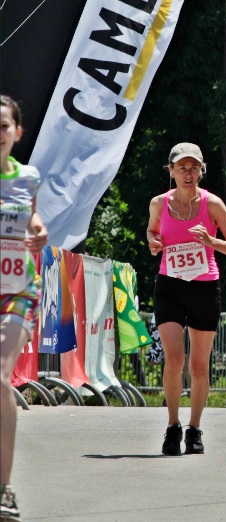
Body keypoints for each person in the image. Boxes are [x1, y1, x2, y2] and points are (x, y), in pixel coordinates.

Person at [147, 143, 226, 455]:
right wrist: (153, 242)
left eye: (194, 167)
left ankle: (195, 428)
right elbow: (152, 231)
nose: (188, 173)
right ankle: (172, 426)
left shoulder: (212, 204)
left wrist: (211, 241)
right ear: (171, 171)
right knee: (174, 359)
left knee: (199, 366)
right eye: (182, 167)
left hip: (204, 287)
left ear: (201, 170)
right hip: (170, 286)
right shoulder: (158, 203)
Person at [1, 94, 49, 522]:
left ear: (17, 132)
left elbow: (33, 219)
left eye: (3, 126)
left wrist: (39, 232)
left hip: (18, 289)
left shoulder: (28, 177)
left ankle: (4, 488)